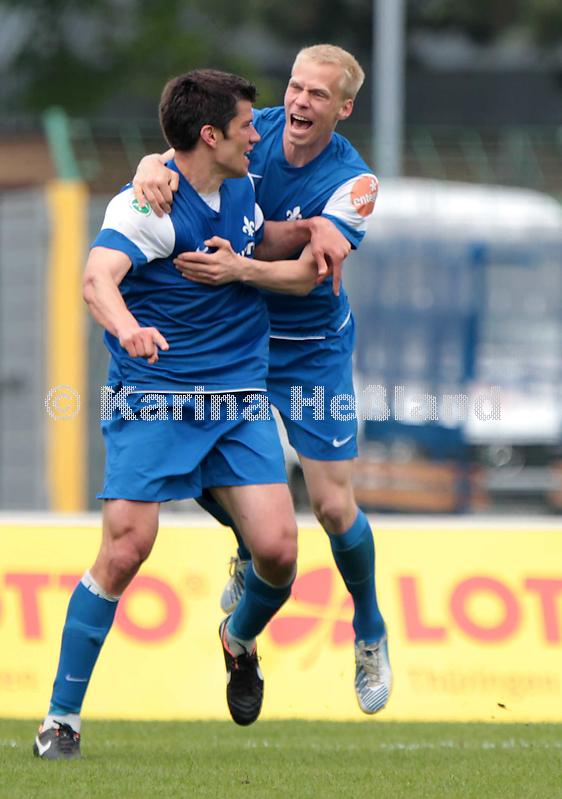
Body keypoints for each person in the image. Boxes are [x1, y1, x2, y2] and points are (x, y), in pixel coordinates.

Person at [33, 68, 323, 760]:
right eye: (247, 126)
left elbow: (259, 237)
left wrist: (316, 229)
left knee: (280, 553)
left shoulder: (243, 185)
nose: (258, 136)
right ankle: (60, 720)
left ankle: (238, 638)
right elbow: (96, 279)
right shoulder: (147, 203)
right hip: (156, 398)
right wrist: (128, 328)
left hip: (237, 402)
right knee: (125, 548)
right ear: (211, 135)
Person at [133, 45, 392, 717]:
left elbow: (307, 276)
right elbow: (186, 152)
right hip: (234, 341)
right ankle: (247, 558)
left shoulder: (355, 184)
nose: (299, 102)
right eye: (296, 87)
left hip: (310, 349)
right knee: (201, 466)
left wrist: (240, 269)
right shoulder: (253, 127)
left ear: (345, 108)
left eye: (318, 94)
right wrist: (149, 165)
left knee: (332, 506)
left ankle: (368, 630)